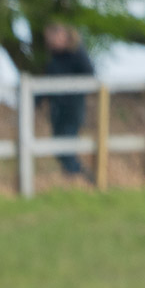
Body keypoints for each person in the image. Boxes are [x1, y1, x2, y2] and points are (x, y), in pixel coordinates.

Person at [42, 22, 96, 175]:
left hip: (72, 110)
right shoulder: (54, 58)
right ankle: (76, 179)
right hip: (57, 111)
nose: (51, 41)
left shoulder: (77, 55)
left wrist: (70, 93)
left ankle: (83, 179)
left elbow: (89, 77)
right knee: (59, 149)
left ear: (63, 37)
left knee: (66, 149)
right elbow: (46, 84)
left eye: (54, 37)